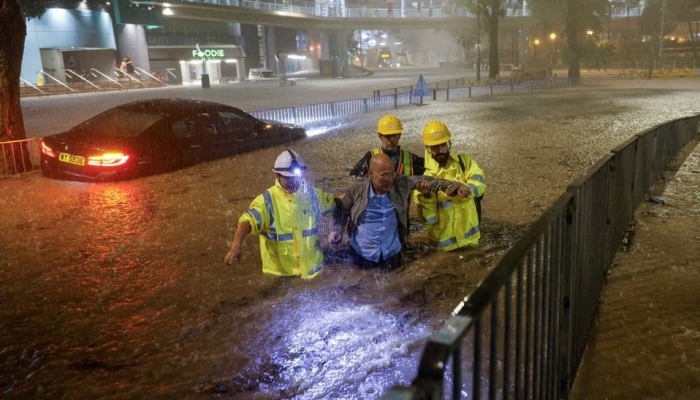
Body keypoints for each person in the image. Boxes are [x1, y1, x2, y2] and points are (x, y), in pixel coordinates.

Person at [333, 153, 468, 270]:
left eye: (392, 173)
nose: (390, 179)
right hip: (362, 255)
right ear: (371, 174)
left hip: (392, 255)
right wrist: (337, 230)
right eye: (385, 175)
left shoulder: (400, 183)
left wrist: (455, 187)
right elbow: (342, 210)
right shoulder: (356, 190)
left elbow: (432, 182)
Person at [224, 149, 338, 279]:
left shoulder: (312, 194)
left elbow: (335, 204)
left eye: (296, 177)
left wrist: (358, 192)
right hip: (282, 276)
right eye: (288, 178)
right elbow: (247, 222)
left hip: (314, 271)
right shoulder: (266, 201)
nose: (293, 182)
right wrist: (236, 246)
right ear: (277, 175)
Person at [413, 120, 486, 251]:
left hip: (470, 241)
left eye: (443, 145)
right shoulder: (424, 180)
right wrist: (426, 196)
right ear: (428, 150)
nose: (440, 150)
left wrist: (467, 189)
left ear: (449, 144)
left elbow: (480, 182)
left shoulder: (465, 162)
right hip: (444, 250)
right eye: (435, 147)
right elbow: (428, 220)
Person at [349, 114, 425, 179]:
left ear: (399, 135)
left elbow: (430, 168)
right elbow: (355, 178)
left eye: (394, 135)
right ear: (380, 137)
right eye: (387, 136)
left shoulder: (410, 159)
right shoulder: (371, 157)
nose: (391, 139)